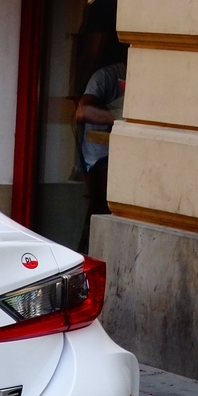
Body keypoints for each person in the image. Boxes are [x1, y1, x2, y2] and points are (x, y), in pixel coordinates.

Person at [75, 48, 127, 250]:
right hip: (100, 159)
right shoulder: (107, 76)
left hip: (124, 156)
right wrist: (123, 119)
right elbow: (83, 111)